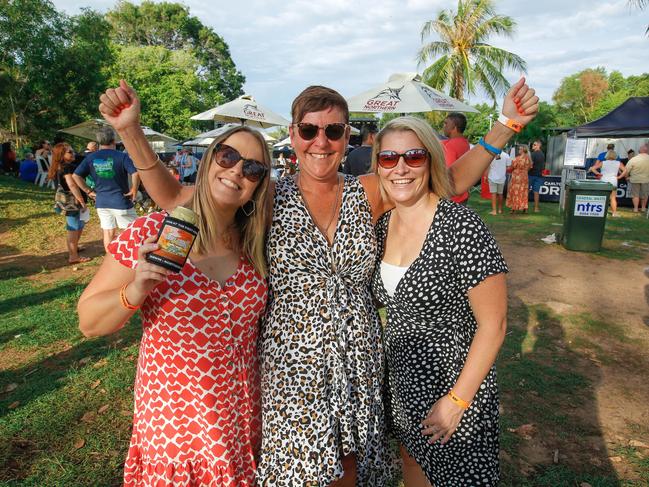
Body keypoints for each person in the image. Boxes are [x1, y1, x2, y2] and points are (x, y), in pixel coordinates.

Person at [96, 77, 538, 485]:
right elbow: (176, 196)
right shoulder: (267, 193)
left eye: (334, 131)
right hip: (293, 368)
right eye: (309, 131)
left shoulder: (368, 190)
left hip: (359, 362)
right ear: (294, 135)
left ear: (349, 138)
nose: (320, 142)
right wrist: (130, 132)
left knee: (350, 470)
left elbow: (448, 179)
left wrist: (505, 125)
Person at [77, 126, 271, 486]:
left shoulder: (256, 246)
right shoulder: (152, 231)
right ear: (209, 158)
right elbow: (89, 321)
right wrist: (137, 288)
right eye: (228, 156)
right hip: (175, 433)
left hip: (241, 427)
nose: (236, 171)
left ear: (258, 186)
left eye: (253, 169)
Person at [371, 116, 507, 486]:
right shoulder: (383, 226)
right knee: (414, 465)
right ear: (378, 166)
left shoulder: (461, 226)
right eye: (389, 159)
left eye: (413, 157)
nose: (400, 168)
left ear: (430, 160)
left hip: (454, 387)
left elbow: (493, 325)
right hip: (403, 387)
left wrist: (457, 401)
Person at [72, 126, 140, 252]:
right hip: (121, 201)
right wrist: (134, 190)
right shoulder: (122, 156)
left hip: (102, 202)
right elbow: (135, 173)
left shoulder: (91, 157)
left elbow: (76, 175)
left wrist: (89, 191)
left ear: (99, 142)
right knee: (133, 232)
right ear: (114, 140)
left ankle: (111, 259)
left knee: (108, 233)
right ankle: (132, 260)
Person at [47, 143, 91, 264]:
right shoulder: (66, 167)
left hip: (69, 202)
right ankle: (73, 256)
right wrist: (81, 200)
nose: (74, 153)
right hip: (72, 202)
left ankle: (75, 248)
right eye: (70, 152)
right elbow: (71, 185)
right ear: (62, 155)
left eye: (73, 151)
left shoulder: (59, 166)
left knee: (79, 224)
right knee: (73, 227)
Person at [441, 112, 471, 205]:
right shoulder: (465, 143)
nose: (444, 126)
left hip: (451, 197)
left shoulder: (450, 146)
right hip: (463, 193)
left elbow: (447, 172)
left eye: (446, 123)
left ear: (454, 127)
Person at [589, 150, 625, 216]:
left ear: (607, 155)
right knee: (613, 198)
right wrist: (619, 177)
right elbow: (625, 170)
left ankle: (600, 212)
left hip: (604, 181)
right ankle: (614, 213)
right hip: (613, 181)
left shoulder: (603, 162)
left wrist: (598, 173)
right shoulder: (618, 163)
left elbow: (592, 168)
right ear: (615, 156)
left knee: (602, 197)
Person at [618, 144, 649, 213]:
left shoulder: (634, 159)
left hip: (635, 179)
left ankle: (635, 209)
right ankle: (643, 208)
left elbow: (626, 170)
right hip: (646, 180)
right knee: (645, 194)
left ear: (641, 151)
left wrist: (627, 177)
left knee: (635, 195)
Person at [506, 145, 532, 213]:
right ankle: (524, 208)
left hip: (516, 177)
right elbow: (529, 167)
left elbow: (512, 167)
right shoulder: (528, 158)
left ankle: (513, 208)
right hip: (524, 176)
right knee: (524, 191)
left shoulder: (517, 158)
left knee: (515, 191)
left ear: (523, 150)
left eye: (520, 149)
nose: (519, 150)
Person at [487, 151, 511, 215]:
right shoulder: (506, 155)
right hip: (502, 177)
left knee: (493, 194)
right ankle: (500, 209)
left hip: (492, 177)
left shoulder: (491, 154)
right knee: (500, 194)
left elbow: (488, 166)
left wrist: (486, 176)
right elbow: (509, 167)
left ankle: (494, 211)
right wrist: (502, 169)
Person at [529, 139, 545, 212]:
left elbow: (530, 165)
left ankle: (524, 206)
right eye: (533, 144)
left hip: (531, 175)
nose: (533, 146)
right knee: (536, 192)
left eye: (534, 145)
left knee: (526, 190)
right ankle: (536, 208)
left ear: (538, 145)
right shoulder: (542, 154)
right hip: (539, 175)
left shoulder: (533, 154)